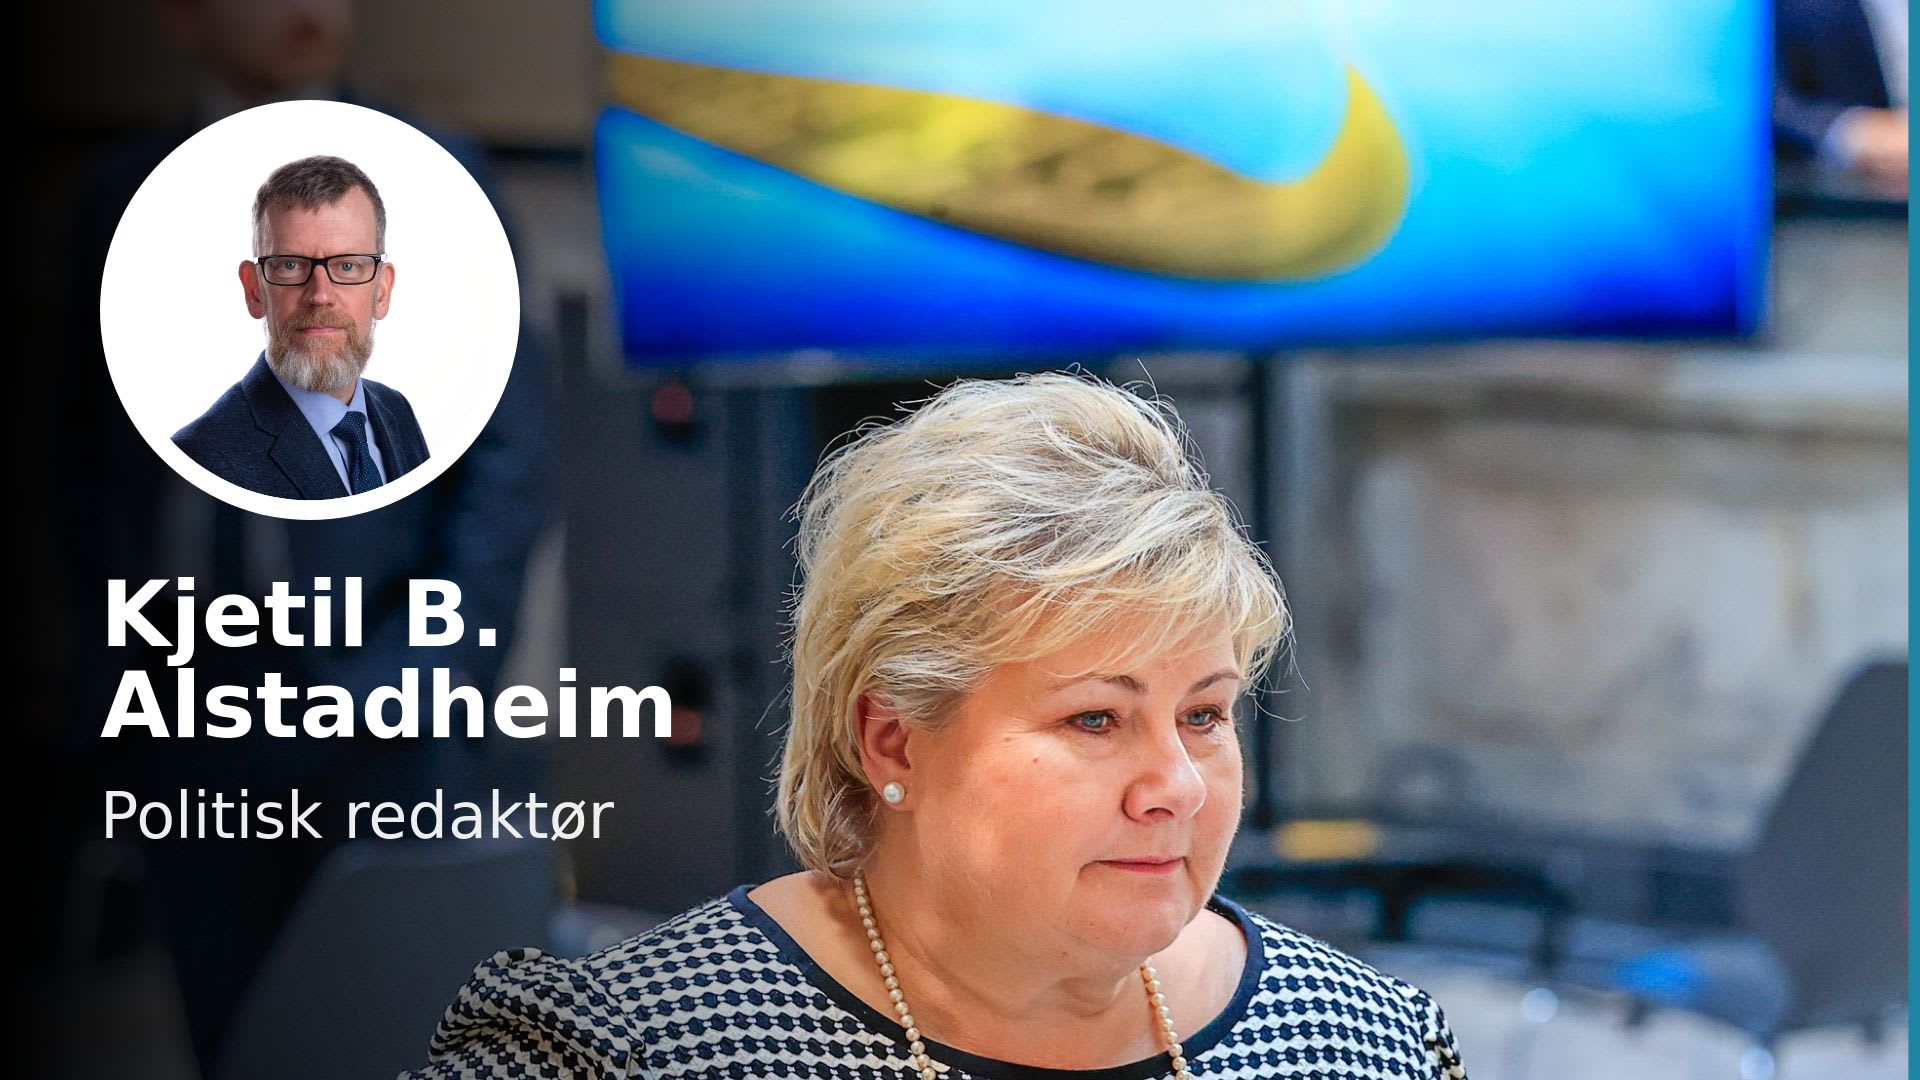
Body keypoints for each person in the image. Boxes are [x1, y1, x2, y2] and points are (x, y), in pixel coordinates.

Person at [402, 373, 1467, 1079]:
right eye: (1096, 718)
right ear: (893, 741)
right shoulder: (623, 1049)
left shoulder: (1365, 1045)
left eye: (1203, 714)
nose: (1177, 787)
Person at [173, 154, 428, 498]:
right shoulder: (200, 460)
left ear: (382, 291)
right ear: (254, 290)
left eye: (348, 266)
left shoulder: (396, 411)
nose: (320, 295)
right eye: (290, 265)